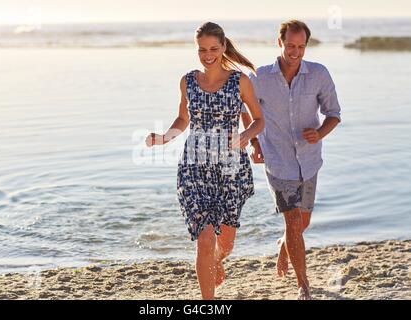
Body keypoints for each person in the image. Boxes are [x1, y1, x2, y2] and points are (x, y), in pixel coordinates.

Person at [146, 22, 264, 300]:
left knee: (226, 242)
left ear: (223, 47)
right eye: (202, 49)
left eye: (213, 48)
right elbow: (183, 119)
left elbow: (259, 120)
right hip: (194, 166)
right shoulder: (188, 81)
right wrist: (165, 137)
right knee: (205, 238)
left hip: (230, 168)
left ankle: (218, 260)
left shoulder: (240, 81)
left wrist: (247, 136)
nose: (207, 54)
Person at [242, 20, 341, 300]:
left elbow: (334, 114)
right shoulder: (259, 77)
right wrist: (254, 142)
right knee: (294, 222)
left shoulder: (319, 74)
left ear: (305, 46)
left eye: (301, 46)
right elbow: (246, 110)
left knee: (302, 223)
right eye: (290, 45)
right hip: (278, 160)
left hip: (309, 161)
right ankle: (303, 285)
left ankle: (285, 247)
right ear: (280, 43)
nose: (295, 52)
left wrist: (319, 132)